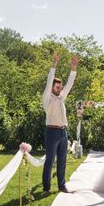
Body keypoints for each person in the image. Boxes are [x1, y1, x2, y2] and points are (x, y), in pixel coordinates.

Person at [41, 52, 78, 192]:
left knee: (62, 161)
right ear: (52, 88)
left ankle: (62, 186)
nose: (60, 89)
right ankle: (46, 187)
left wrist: (73, 69)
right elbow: (49, 80)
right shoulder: (47, 98)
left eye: (60, 87)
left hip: (63, 132)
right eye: (57, 87)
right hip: (52, 132)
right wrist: (54, 65)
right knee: (50, 161)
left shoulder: (62, 97)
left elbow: (70, 84)